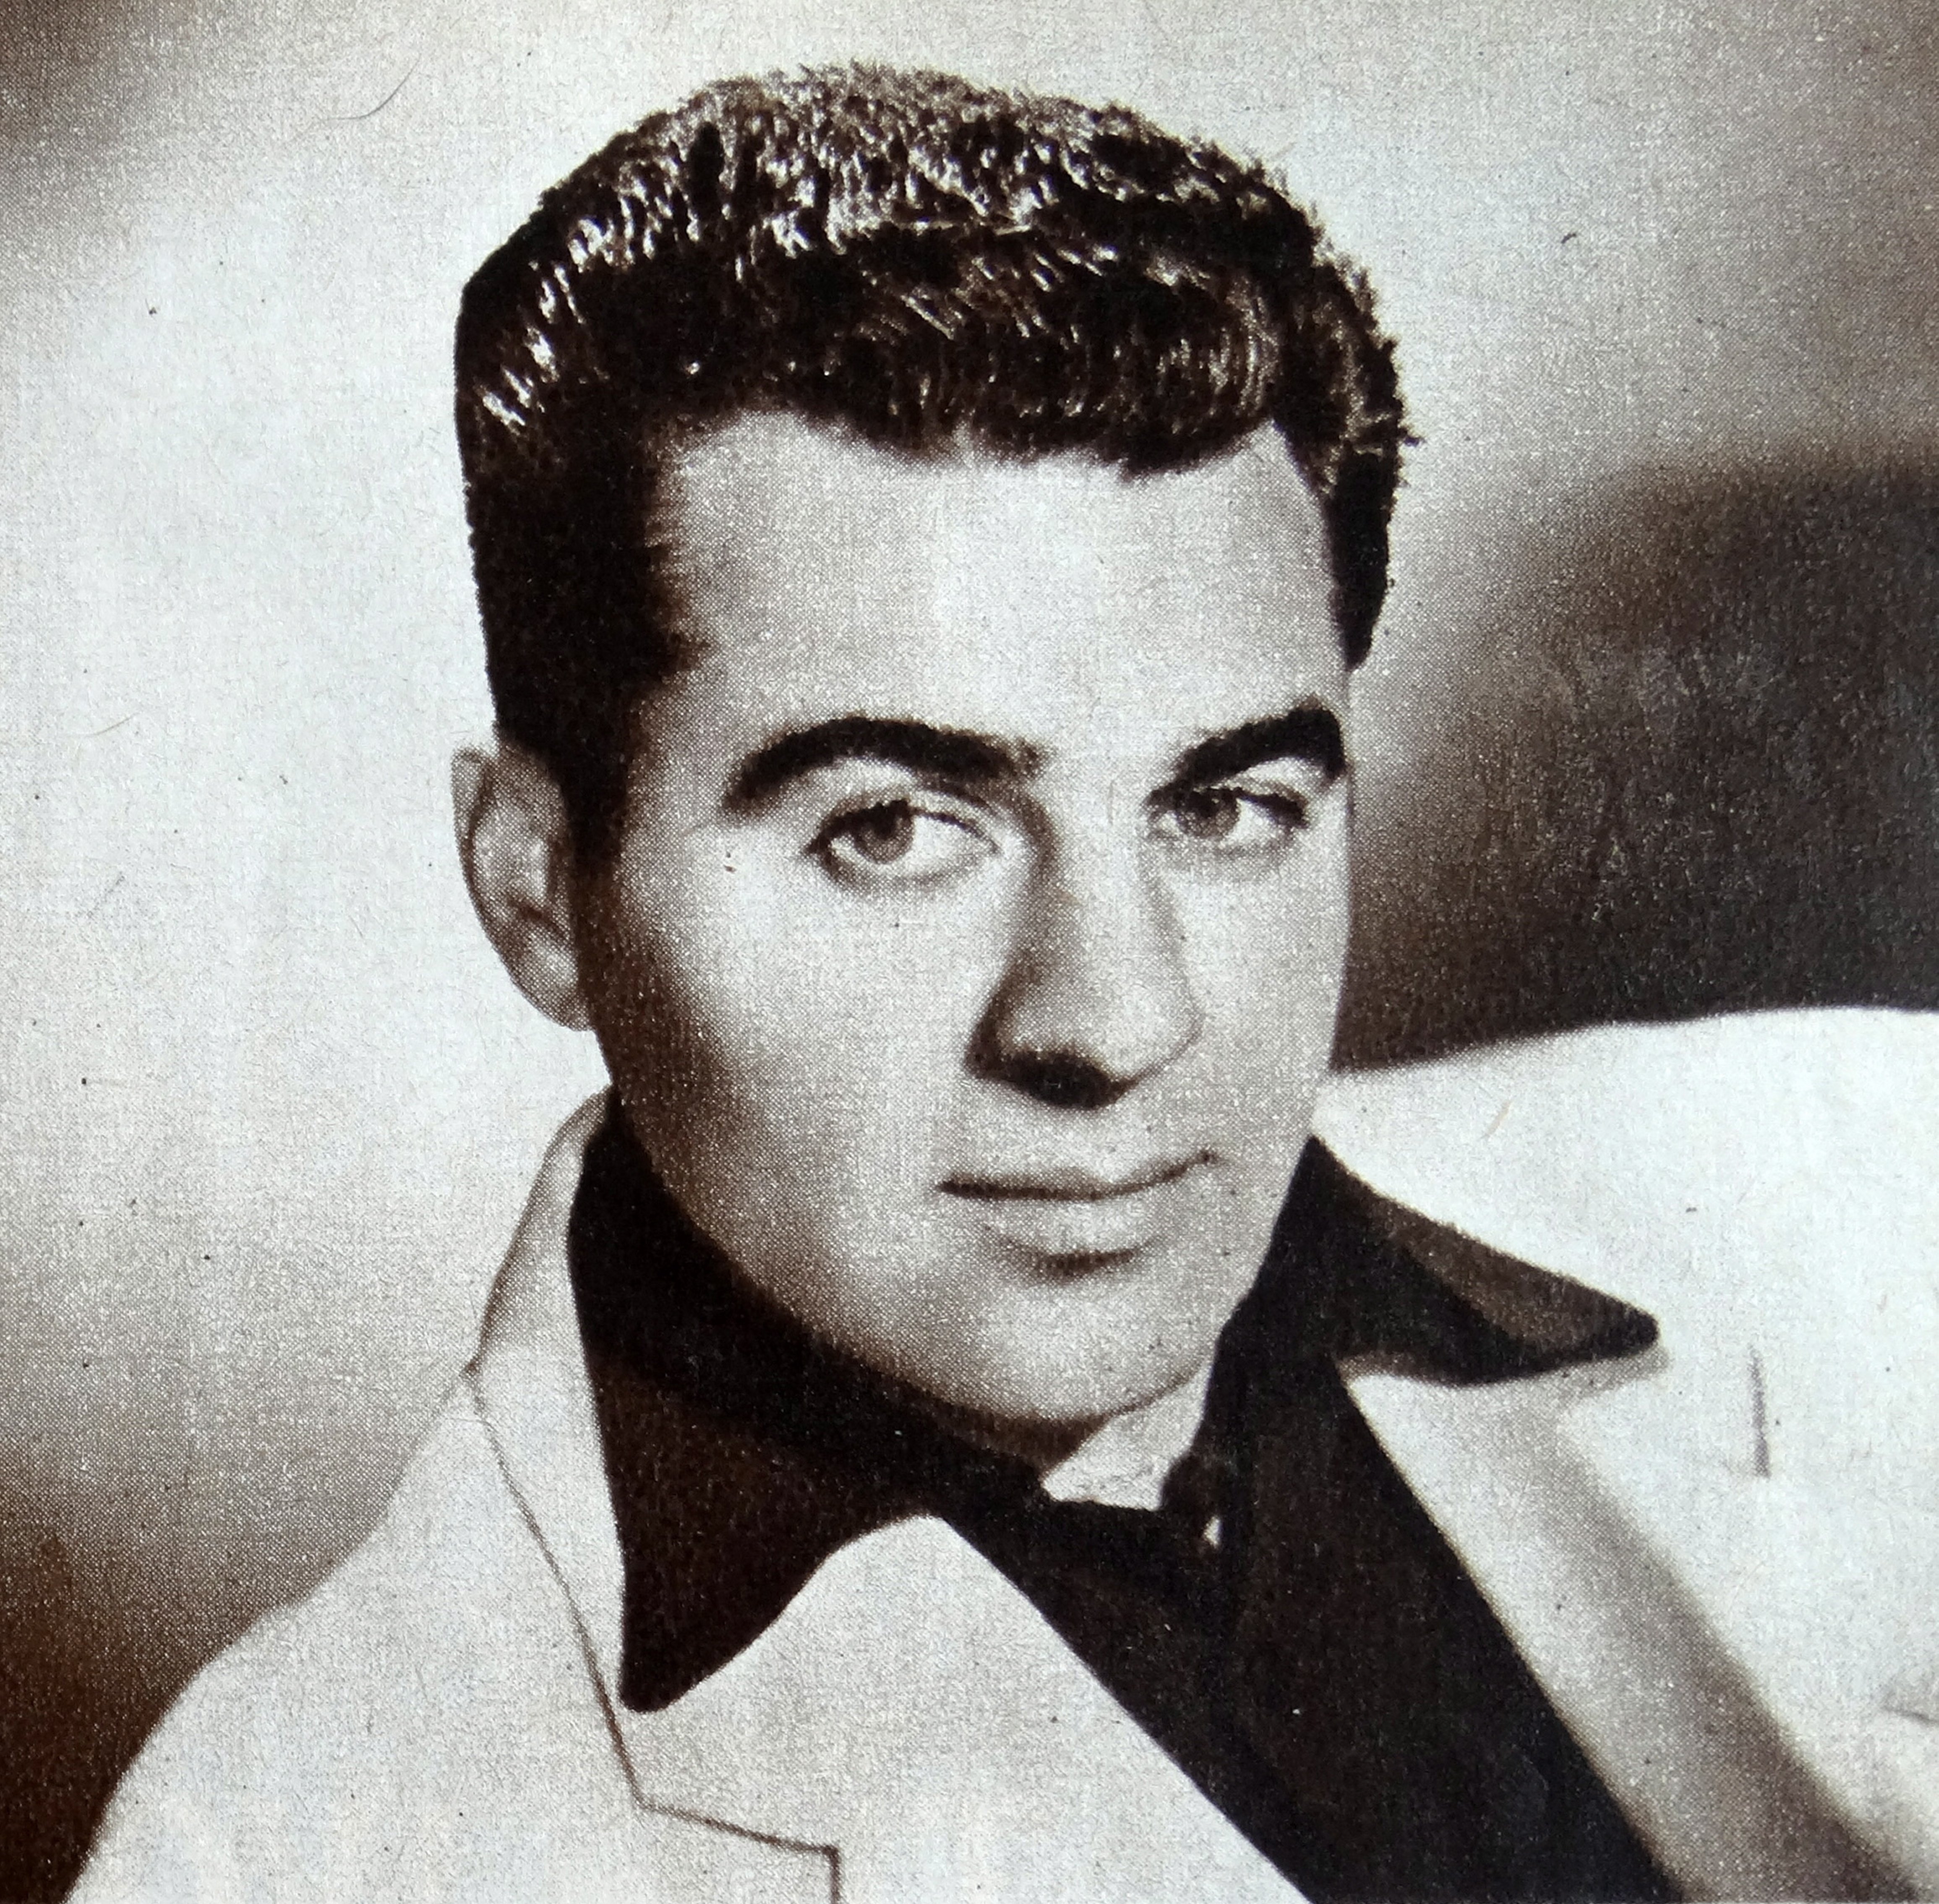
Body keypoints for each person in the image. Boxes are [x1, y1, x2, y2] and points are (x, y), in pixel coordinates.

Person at [73, 65, 1921, 1903]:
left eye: (1225, 804)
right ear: (538, 891)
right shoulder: (289, 1849)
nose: (1115, 1026)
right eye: (894, 828)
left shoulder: (1859, 1184)